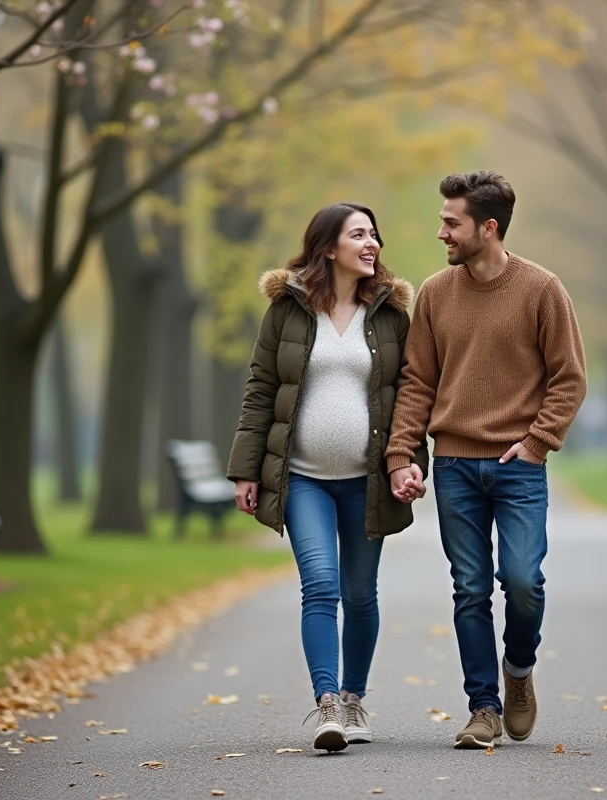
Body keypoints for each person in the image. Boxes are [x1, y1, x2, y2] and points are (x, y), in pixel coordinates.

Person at [385, 171, 587, 749]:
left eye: (452, 223)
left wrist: (538, 441)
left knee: (523, 582)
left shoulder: (542, 290)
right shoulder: (434, 294)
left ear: (488, 227)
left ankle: (517, 669)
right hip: (454, 466)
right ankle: (483, 708)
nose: (441, 233)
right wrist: (401, 454)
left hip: (519, 466)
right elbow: (417, 382)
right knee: (470, 589)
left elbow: (569, 378)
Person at [226, 202, 427, 752]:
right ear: (328, 247)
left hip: (367, 480)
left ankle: (354, 698)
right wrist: (245, 470)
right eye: (358, 234)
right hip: (303, 479)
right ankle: (327, 704)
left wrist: (408, 461)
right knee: (320, 585)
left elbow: (411, 397)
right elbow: (261, 390)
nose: (372, 243)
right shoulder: (287, 311)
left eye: (374, 234)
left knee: (360, 594)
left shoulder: (390, 314)